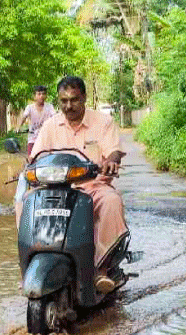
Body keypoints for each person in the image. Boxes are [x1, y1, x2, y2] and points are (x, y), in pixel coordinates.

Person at [28, 76, 129, 293]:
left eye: (74, 100)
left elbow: (114, 150)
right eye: (63, 101)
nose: (68, 106)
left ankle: (101, 267)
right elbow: (35, 157)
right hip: (55, 189)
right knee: (25, 202)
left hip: (94, 187)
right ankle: (28, 266)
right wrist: (28, 167)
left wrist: (111, 160)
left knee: (111, 202)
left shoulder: (103, 122)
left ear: (84, 97)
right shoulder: (50, 125)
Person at [17, 85, 56, 157]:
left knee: (50, 160)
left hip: (46, 139)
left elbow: (55, 118)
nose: (41, 96)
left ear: (46, 96)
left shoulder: (49, 107)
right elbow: (24, 117)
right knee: (31, 160)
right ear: (34, 96)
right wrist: (18, 128)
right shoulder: (30, 108)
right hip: (33, 138)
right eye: (39, 94)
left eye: (43, 94)